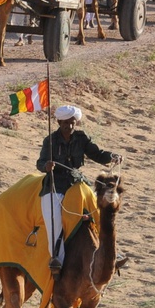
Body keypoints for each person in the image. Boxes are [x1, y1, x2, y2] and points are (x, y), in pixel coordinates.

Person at [36, 105, 123, 271]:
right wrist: (47, 166)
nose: (69, 126)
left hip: (76, 182)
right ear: (59, 122)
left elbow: (97, 153)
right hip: (56, 184)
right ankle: (57, 259)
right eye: (65, 123)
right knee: (53, 217)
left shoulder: (81, 138)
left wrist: (112, 156)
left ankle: (111, 253)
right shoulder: (50, 141)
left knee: (98, 211)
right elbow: (40, 163)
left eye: (72, 122)